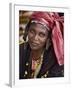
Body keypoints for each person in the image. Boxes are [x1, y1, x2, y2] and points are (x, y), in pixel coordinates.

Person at [19, 11, 64, 79]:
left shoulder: (55, 60)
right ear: (27, 30)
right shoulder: (19, 51)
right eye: (32, 31)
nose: (35, 38)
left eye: (42, 35)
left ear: (48, 38)